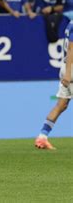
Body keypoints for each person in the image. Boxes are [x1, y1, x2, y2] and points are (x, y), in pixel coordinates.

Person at [34, 17, 72, 150]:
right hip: (71, 69)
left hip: (66, 67)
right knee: (61, 105)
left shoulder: (70, 23)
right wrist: (68, 73)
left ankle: (42, 137)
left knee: (61, 105)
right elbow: (72, 49)